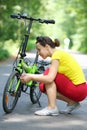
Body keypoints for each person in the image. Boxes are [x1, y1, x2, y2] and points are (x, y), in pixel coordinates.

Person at [20, 36, 87, 116]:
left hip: (78, 89)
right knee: (42, 85)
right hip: (80, 90)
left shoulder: (56, 55)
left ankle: (52, 107)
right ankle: (72, 102)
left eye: (39, 49)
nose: (38, 53)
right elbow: (46, 76)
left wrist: (31, 77)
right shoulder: (58, 53)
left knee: (48, 76)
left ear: (47, 47)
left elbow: (49, 78)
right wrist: (29, 75)